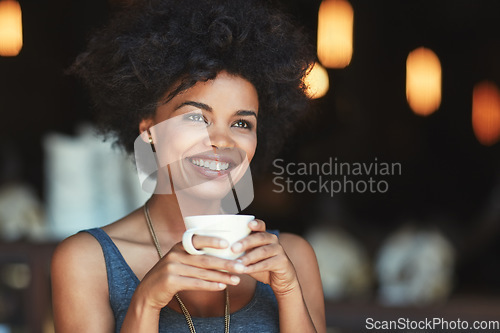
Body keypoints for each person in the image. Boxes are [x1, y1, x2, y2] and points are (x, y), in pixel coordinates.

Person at [51, 0, 326, 332]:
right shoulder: (88, 262)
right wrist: (147, 300)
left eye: (241, 124)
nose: (222, 141)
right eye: (197, 117)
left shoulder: (293, 257)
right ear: (148, 128)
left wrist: (287, 290)